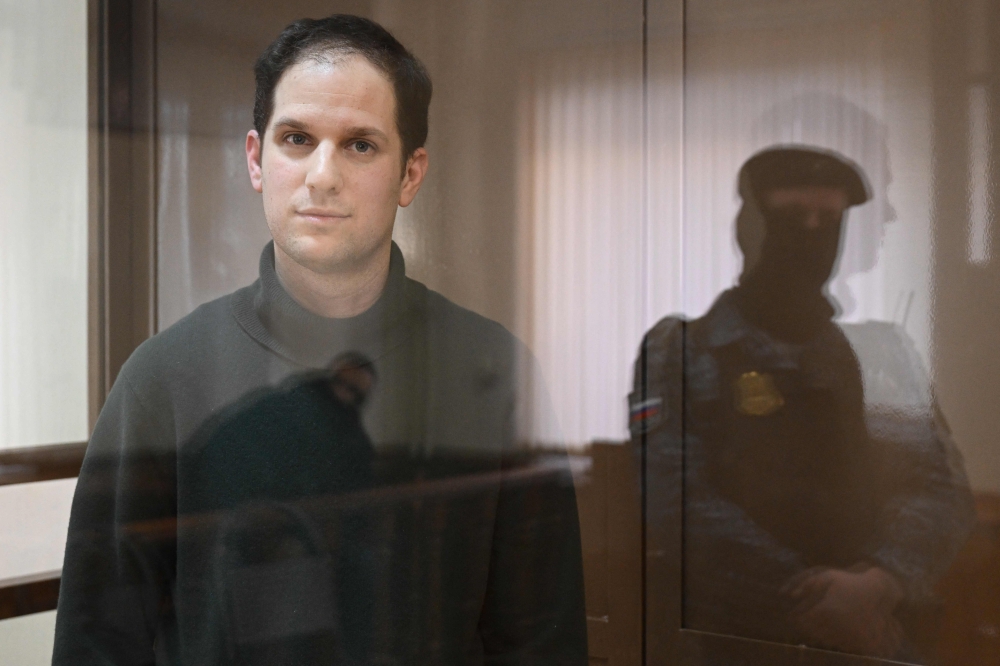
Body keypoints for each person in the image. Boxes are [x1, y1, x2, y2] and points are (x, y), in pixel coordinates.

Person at [53, 15, 586, 666]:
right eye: (297, 139)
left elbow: (543, 642)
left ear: (411, 174)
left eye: (360, 145)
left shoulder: (492, 370)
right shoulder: (163, 381)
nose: (322, 175)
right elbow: (96, 646)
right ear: (257, 159)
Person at [630, 146, 975, 661]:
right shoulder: (680, 350)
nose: (812, 235)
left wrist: (879, 584)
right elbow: (676, 502)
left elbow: (938, 490)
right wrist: (822, 604)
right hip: (729, 639)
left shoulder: (879, 353)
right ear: (751, 226)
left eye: (829, 221)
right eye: (792, 218)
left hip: (869, 636)